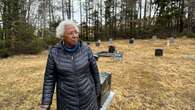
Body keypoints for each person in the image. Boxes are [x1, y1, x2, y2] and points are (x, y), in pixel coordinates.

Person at [40, 20, 101, 110]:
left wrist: (98, 90)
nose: (75, 36)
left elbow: (94, 71)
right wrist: (45, 103)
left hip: (88, 99)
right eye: (70, 33)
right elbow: (49, 79)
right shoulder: (54, 53)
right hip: (66, 102)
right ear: (62, 36)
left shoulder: (85, 49)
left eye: (76, 32)